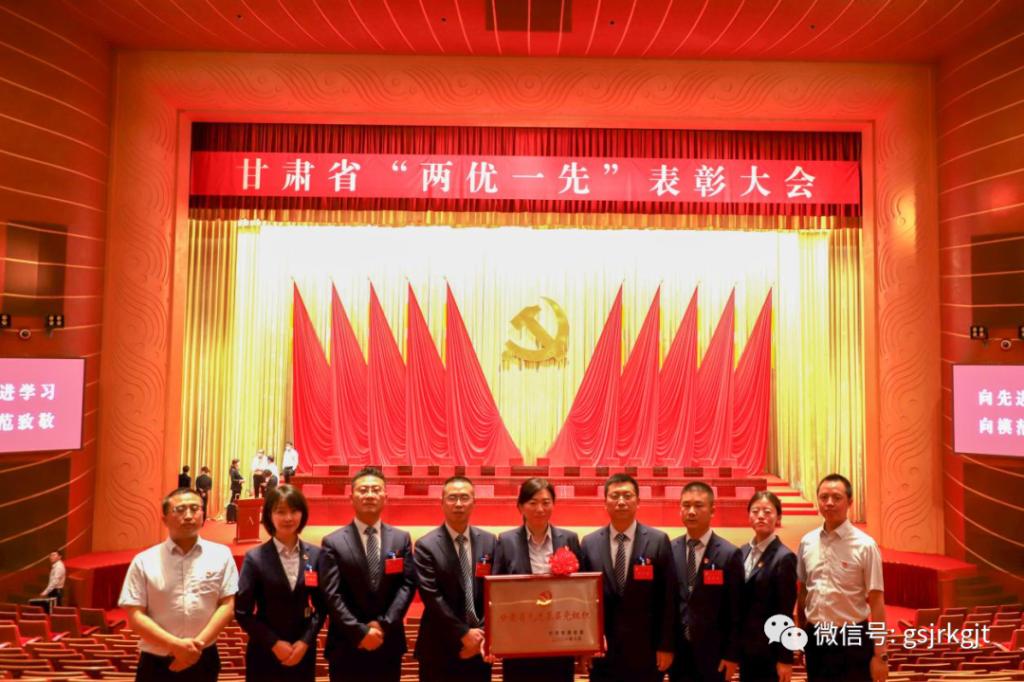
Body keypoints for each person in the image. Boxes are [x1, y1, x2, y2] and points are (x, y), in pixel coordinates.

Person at [118, 488, 238, 681]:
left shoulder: (221, 555)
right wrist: (174, 645)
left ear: (203, 514)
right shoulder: (144, 561)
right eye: (180, 510)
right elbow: (135, 616)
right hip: (156, 661)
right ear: (164, 519)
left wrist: (194, 648)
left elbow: (228, 605)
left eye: (195, 509)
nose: (189, 516)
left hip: (203, 657)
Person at [319, 467, 415, 682]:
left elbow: (407, 585)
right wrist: (360, 632)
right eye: (363, 490)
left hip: (387, 642)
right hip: (347, 644)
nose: (370, 495)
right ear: (351, 497)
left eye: (376, 490)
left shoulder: (401, 539)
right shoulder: (333, 542)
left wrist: (383, 625)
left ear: (385, 496)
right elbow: (331, 594)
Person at [579, 473, 675, 682]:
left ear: (638, 501)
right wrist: (586, 646)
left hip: (647, 650)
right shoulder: (589, 543)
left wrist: (666, 645)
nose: (621, 501)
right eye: (615, 496)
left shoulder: (658, 541)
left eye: (627, 496)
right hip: (603, 651)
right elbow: (584, 601)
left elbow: (668, 598)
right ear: (605, 502)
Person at [797, 474, 888, 682]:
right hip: (816, 637)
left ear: (850, 502)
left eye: (836, 498)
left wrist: (880, 654)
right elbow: (804, 592)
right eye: (824, 497)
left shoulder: (865, 546)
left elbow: (876, 601)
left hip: (851, 639)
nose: (829, 503)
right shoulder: (807, 542)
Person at [492, 477, 582, 682]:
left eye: (546, 502)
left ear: (553, 504)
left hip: (560, 636)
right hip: (519, 637)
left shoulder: (569, 539)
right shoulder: (506, 541)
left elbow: (581, 589)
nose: (540, 509)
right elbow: (496, 592)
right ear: (520, 507)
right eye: (532, 503)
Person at [235, 485, 325, 682]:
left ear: (303, 514)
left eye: (294, 511)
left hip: (302, 651)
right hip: (265, 651)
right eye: (281, 512)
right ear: (269, 515)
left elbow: (322, 607)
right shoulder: (255, 558)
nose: (288, 518)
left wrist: (305, 642)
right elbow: (242, 612)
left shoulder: (316, 555)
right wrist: (274, 643)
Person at [414, 476, 497, 682]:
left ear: (474, 502)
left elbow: (496, 591)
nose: (458, 504)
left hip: (479, 647)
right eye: (452, 498)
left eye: (464, 497)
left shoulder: (490, 541)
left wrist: (481, 634)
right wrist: (463, 634)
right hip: (439, 648)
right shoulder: (426, 545)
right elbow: (431, 596)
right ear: (442, 502)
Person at [670, 481, 743, 682]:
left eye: (699, 505)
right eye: (686, 505)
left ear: (712, 510)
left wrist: (732, 654)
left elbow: (736, 609)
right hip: (678, 653)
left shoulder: (729, 554)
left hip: (714, 654)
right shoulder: (670, 549)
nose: (691, 512)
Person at [738, 491, 797, 682]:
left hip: (769, 651)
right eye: (755, 511)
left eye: (767, 511)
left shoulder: (784, 558)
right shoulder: (742, 552)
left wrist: (784, 658)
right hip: (746, 648)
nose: (761, 516)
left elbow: (785, 611)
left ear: (778, 518)